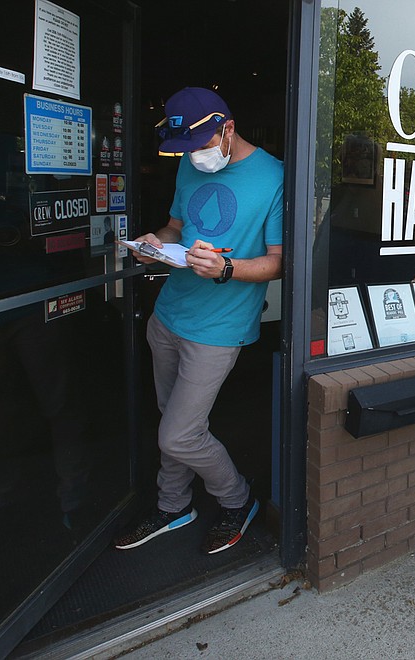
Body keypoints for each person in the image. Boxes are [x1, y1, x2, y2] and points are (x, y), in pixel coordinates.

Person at [114, 87, 284, 554]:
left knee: (180, 433)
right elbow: (176, 227)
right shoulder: (190, 162)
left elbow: (279, 262)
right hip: (169, 315)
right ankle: (173, 506)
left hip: (219, 328)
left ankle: (237, 498)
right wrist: (156, 240)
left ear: (227, 129)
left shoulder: (274, 177)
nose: (194, 158)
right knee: (174, 423)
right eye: (186, 151)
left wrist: (227, 268)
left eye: (202, 146)